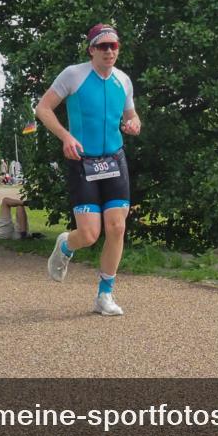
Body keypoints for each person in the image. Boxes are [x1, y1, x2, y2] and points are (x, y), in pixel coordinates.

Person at [35, 22, 141, 316]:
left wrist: (134, 124)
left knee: (117, 227)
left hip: (114, 159)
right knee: (90, 234)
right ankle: (66, 245)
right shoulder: (74, 75)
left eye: (113, 46)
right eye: (102, 46)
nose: (109, 51)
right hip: (83, 161)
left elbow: (132, 116)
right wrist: (66, 136)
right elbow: (43, 108)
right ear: (91, 50)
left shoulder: (123, 80)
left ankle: (104, 295)